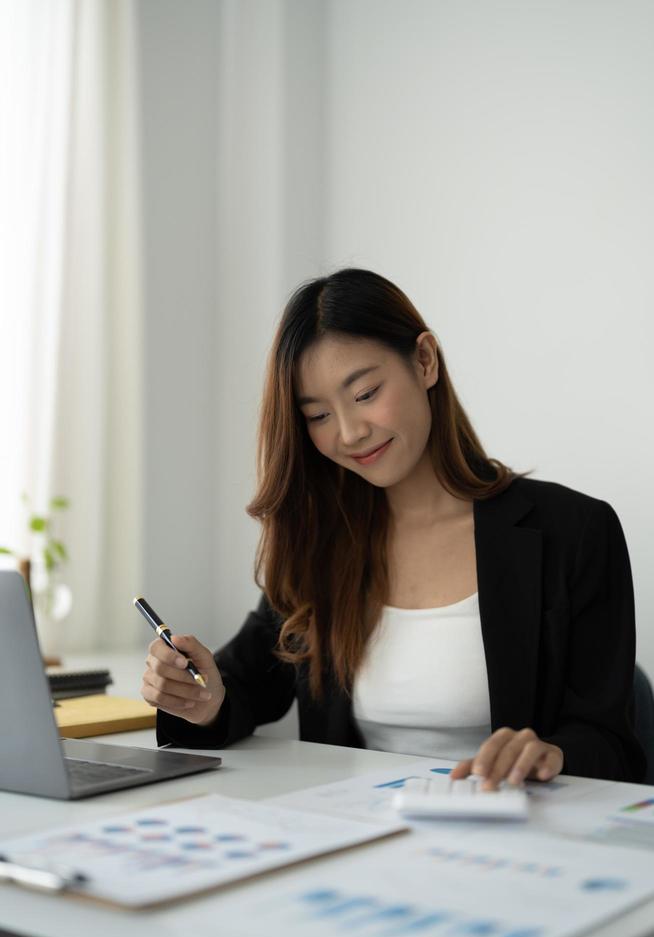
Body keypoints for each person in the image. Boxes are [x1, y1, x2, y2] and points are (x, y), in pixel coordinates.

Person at [141, 268, 645, 786]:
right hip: (362, 839)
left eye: (364, 394)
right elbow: (241, 686)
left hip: (516, 838)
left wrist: (552, 754)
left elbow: (612, 746)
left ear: (424, 361)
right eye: (317, 415)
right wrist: (200, 699)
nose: (350, 433)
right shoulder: (321, 540)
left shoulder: (576, 531)